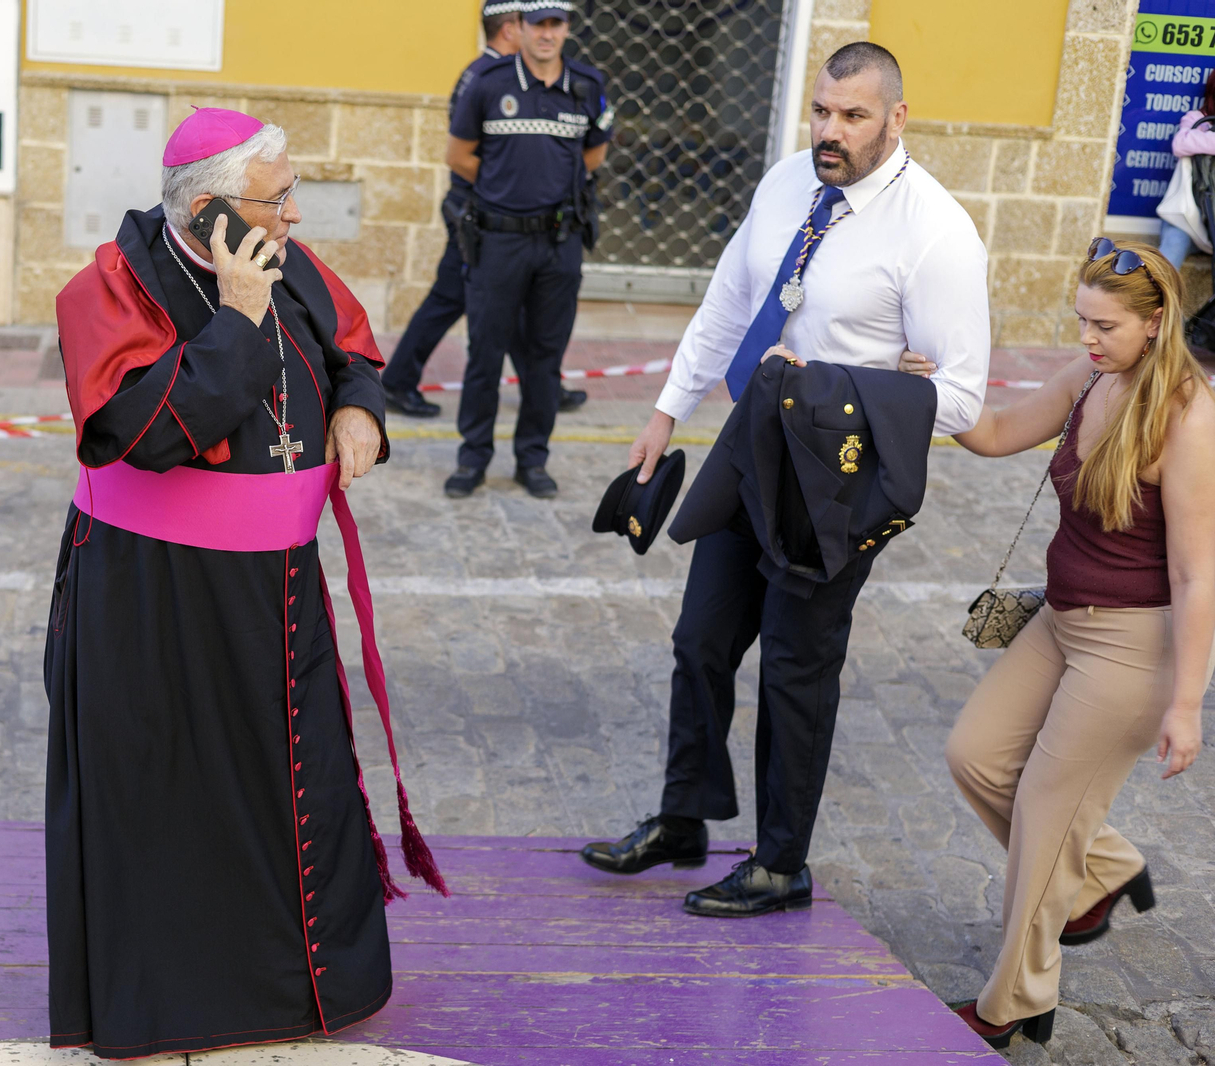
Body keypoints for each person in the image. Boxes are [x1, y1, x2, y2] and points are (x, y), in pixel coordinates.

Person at [43, 107, 446, 1060]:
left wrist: (358, 413)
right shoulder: (108, 288)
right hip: (158, 600)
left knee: (295, 780)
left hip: (279, 586)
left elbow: (354, 352)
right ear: (217, 209)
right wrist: (236, 317)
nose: (298, 216)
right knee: (175, 797)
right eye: (280, 198)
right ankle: (184, 1007)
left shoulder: (284, 262)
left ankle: (301, 994)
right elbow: (151, 433)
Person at [579, 43, 990, 917]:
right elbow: (730, 301)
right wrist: (663, 410)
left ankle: (779, 863)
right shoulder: (784, 184)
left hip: (833, 477)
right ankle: (683, 818)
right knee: (700, 638)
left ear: (897, 118)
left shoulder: (937, 233)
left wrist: (829, 385)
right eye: (821, 112)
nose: (830, 133)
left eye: (852, 117)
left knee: (797, 667)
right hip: (746, 443)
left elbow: (959, 397)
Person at [905, 240, 1215, 1049]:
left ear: (1155, 324)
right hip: (1060, 618)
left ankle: (1014, 1004)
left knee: (1045, 823)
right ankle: (1106, 870)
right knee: (975, 754)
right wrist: (934, 392)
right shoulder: (1091, 377)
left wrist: (1186, 704)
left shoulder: (1190, 415)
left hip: (1131, 646)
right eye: (1081, 320)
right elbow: (1000, 430)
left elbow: (1195, 575)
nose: (1087, 338)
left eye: (1104, 326)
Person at [380, 1, 587, 420]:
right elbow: (470, 152)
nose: (539, 35)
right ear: (511, 29)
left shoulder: (490, 72)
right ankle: (399, 380)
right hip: (479, 211)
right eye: (528, 24)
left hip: (484, 210)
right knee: (454, 298)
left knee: (507, 304)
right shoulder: (489, 77)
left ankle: (543, 384)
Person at [441, 3, 611, 499]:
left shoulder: (587, 83)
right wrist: (501, 188)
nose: (547, 33)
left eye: (557, 24)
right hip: (498, 241)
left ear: (567, 29)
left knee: (544, 358)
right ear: (521, 27)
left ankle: (532, 460)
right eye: (538, 23)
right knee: (485, 355)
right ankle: (472, 459)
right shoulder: (490, 83)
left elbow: (595, 151)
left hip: (559, 244)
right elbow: (458, 155)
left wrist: (558, 185)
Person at [1158, 69, 1215, 269]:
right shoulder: (1198, 118)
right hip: (1190, 215)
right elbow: (1181, 143)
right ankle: (1157, 300)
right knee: (1174, 242)